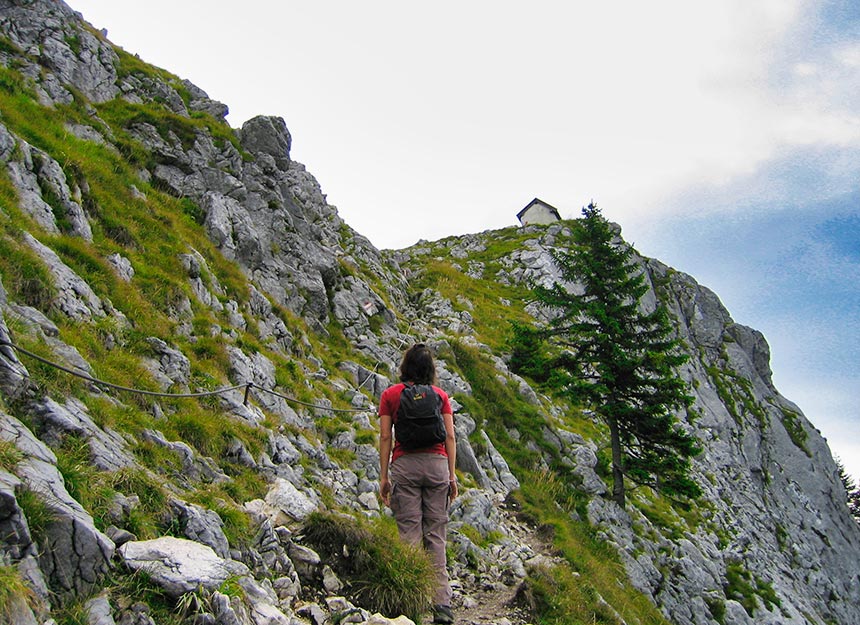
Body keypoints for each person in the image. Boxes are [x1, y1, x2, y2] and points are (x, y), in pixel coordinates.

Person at [379, 343, 458, 624]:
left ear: (405, 367)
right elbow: (449, 437)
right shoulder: (440, 396)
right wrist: (451, 475)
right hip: (437, 468)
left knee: (409, 535)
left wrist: (384, 477)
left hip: (405, 468)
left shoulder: (390, 395)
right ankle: (442, 606)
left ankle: (408, 601)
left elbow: (386, 438)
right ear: (430, 369)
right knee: (436, 536)